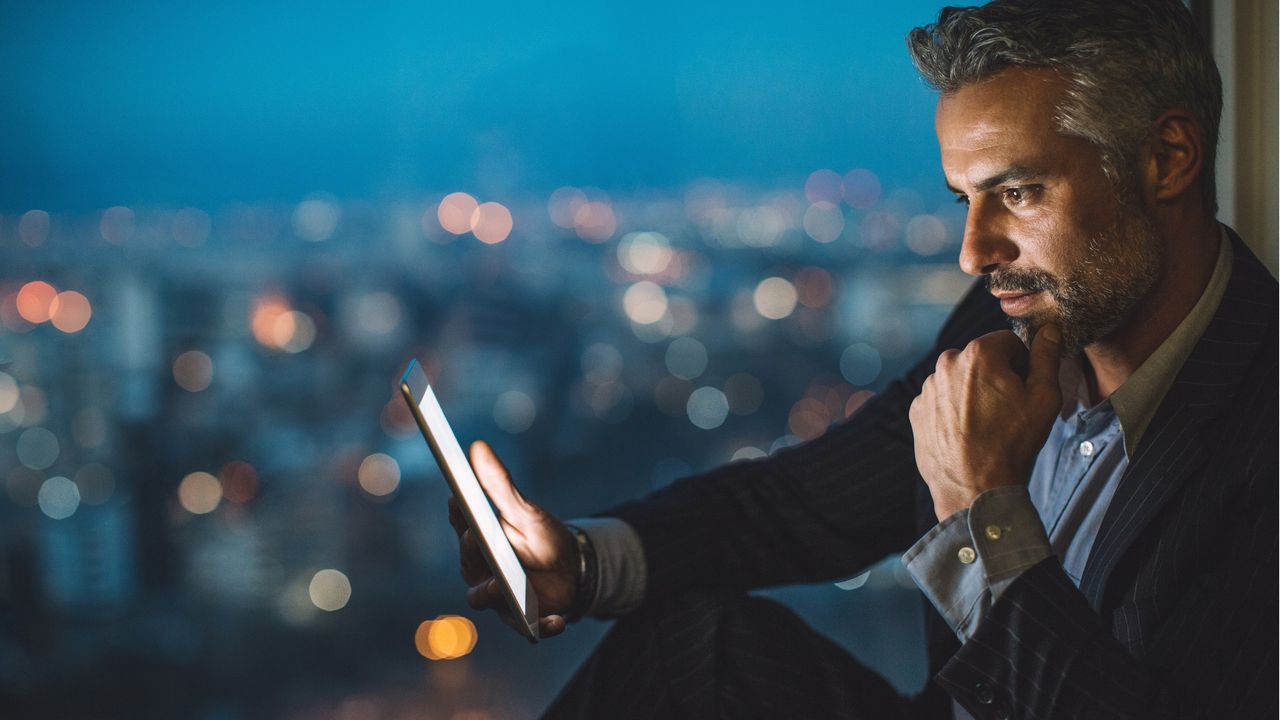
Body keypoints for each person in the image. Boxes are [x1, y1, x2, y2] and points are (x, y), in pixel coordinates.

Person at [448, 1, 1278, 717]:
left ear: (1168, 158)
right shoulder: (1013, 318)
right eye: (966, 198)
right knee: (694, 647)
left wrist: (978, 510)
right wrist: (582, 564)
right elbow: (807, 503)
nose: (973, 251)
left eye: (1019, 192)